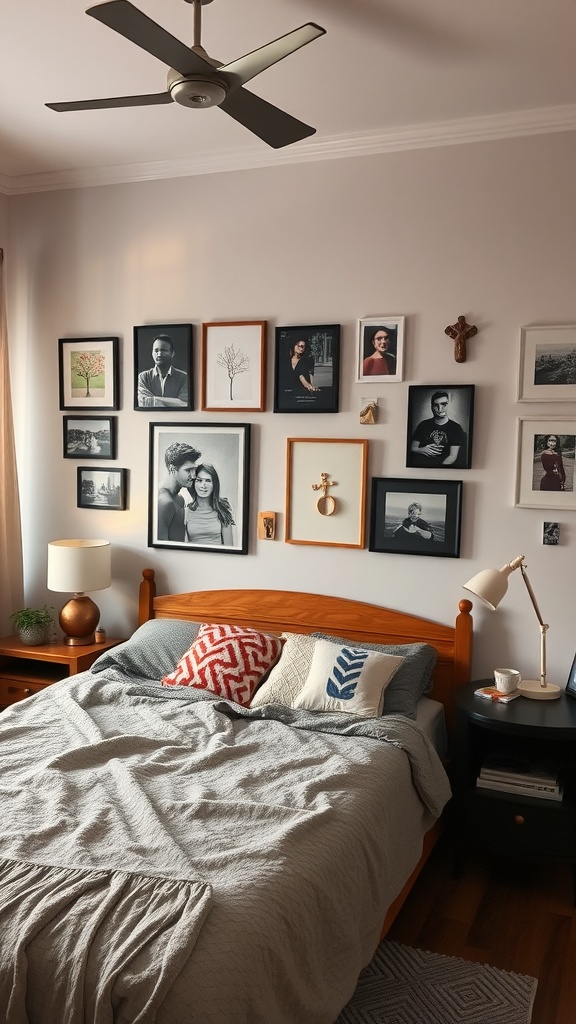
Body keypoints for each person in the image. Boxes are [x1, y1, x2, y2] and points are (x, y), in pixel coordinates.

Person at [157, 442, 201, 542]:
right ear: (173, 469)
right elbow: (161, 548)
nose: (193, 476)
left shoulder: (180, 499)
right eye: (188, 470)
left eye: (194, 470)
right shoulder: (165, 502)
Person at [411, 390, 466, 467]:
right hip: (421, 467)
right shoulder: (423, 425)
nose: (440, 409)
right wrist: (421, 449)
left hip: (442, 466)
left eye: (444, 404)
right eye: (436, 405)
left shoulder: (456, 428)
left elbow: (452, 456)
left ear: (448, 405)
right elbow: (412, 447)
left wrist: (438, 470)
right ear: (431, 407)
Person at [185, 464, 235, 546]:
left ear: (214, 485)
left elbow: (229, 547)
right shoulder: (186, 513)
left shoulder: (222, 510)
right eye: (199, 480)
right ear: (193, 483)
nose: (203, 485)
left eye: (208, 480)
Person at [137, 333, 189, 408]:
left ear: (172, 353)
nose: (159, 354)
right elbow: (144, 402)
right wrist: (174, 402)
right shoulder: (143, 377)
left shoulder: (184, 377)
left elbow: (184, 404)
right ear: (152, 353)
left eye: (163, 350)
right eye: (156, 350)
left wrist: (154, 399)